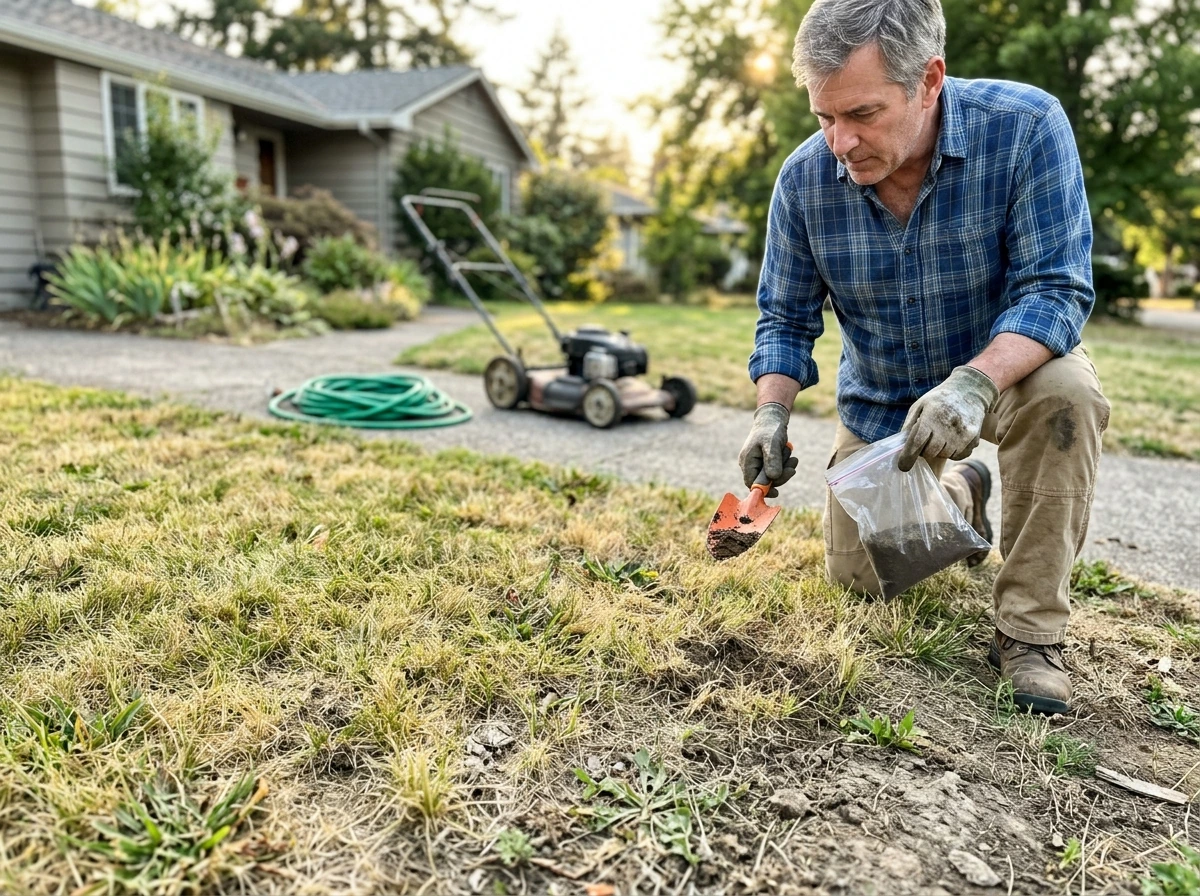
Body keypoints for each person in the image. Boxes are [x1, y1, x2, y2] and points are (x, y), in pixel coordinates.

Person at [739, 0, 1110, 715]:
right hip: (883, 401)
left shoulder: (1027, 128)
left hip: (1007, 372)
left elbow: (1056, 290)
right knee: (864, 579)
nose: (840, 142)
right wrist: (770, 414)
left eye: (863, 115)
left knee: (1070, 396)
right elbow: (784, 318)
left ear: (930, 79)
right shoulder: (804, 180)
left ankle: (1030, 634)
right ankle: (961, 490)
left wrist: (973, 384)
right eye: (824, 117)